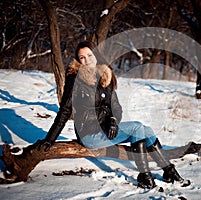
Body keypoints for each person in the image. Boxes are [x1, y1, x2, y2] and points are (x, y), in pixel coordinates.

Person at [36, 41, 190, 189]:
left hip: (106, 129)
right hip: (89, 134)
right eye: (82, 57)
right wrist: (50, 139)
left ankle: (169, 172)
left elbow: (116, 108)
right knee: (137, 128)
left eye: (89, 55)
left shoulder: (105, 76)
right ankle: (145, 175)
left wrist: (114, 120)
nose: (86, 60)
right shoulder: (75, 79)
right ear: (78, 60)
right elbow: (65, 111)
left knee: (146, 130)